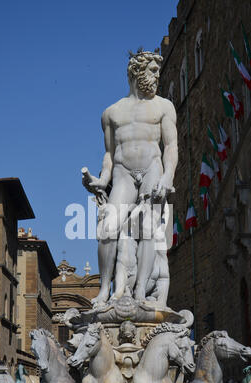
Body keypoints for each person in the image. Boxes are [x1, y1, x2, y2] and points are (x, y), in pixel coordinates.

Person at [83, 50, 178, 307]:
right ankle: (104, 289)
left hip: (152, 170)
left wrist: (168, 176)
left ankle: (139, 292)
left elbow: (170, 147)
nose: (158, 76)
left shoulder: (164, 106)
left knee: (147, 228)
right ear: (137, 71)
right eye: (153, 71)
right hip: (123, 174)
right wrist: (102, 180)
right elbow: (110, 155)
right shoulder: (111, 113)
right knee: (106, 227)